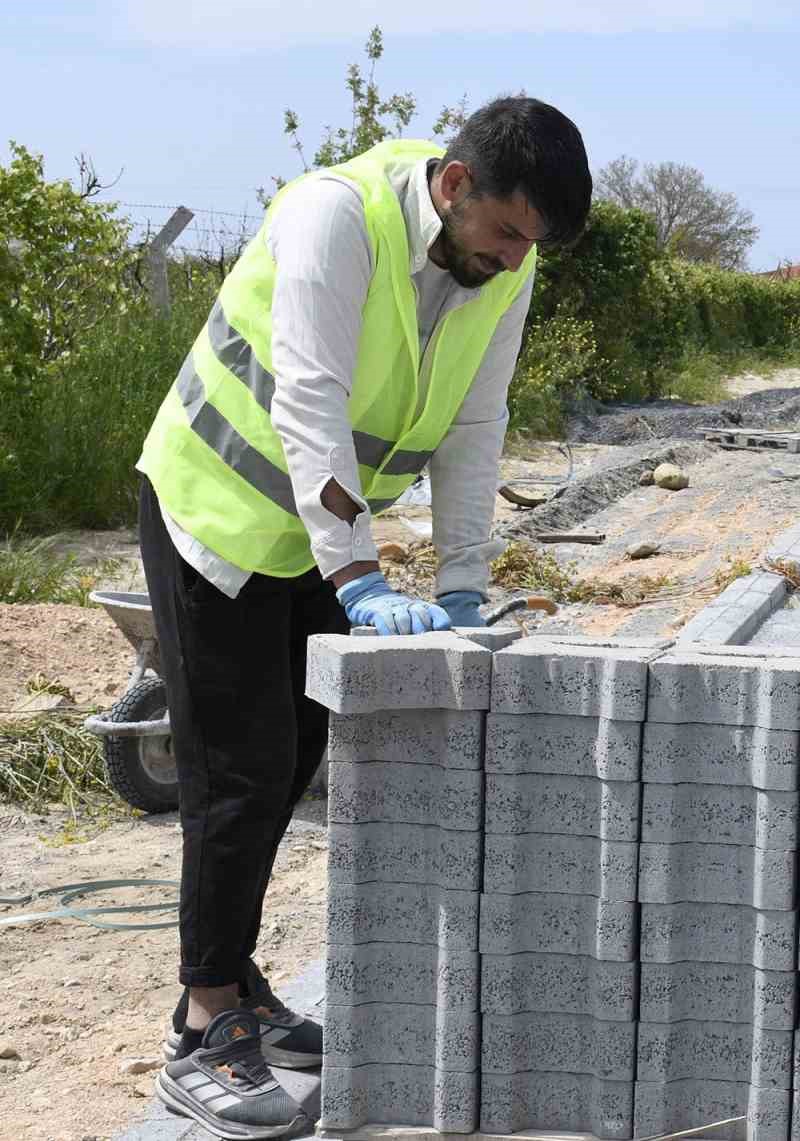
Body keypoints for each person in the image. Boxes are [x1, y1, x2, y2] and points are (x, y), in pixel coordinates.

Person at [134, 96, 591, 1138]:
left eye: (534, 246)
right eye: (508, 233)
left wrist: (467, 581)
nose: (517, 259)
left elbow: (479, 419)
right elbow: (307, 395)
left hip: (307, 529)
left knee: (294, 750)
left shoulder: (504, 268)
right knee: (237, 770)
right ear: (454, 185)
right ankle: (201, 1024)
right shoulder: (332, 217)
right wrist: (360, 577)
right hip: (212, 507)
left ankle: (239, 985)